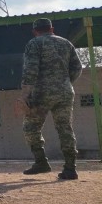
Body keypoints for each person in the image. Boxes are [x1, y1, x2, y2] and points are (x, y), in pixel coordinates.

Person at [19, 18, 83, 179]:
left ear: (35, 31)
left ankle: (41, 162)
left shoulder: (34, 43)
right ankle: (70, 168)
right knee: (65, 128)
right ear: (52, 29)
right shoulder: (66, 43)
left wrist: (25, 94)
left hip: (41, 93)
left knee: (31, 127)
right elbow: (77, 67)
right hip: (65, 92)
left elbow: (31, 69)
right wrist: (65, 83)